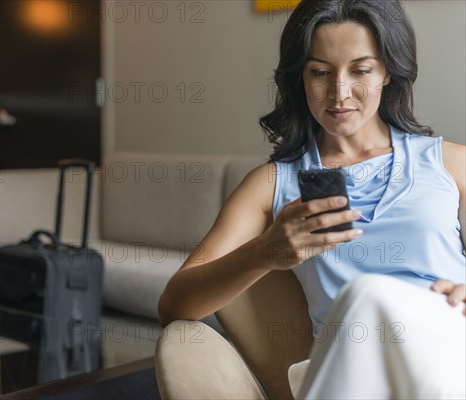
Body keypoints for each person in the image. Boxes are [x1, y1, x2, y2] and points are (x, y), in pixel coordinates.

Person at [157, 0, 466, 398]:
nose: (339, 93)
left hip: (449, 346)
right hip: (350, 370)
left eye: (361, 70)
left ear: (388, 71)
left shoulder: (451, 163)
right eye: (320, 72)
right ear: (300, 79)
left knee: (368, 294)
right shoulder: (271, 183)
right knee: (363, 302)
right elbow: (174, 305)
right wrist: (264, 253)